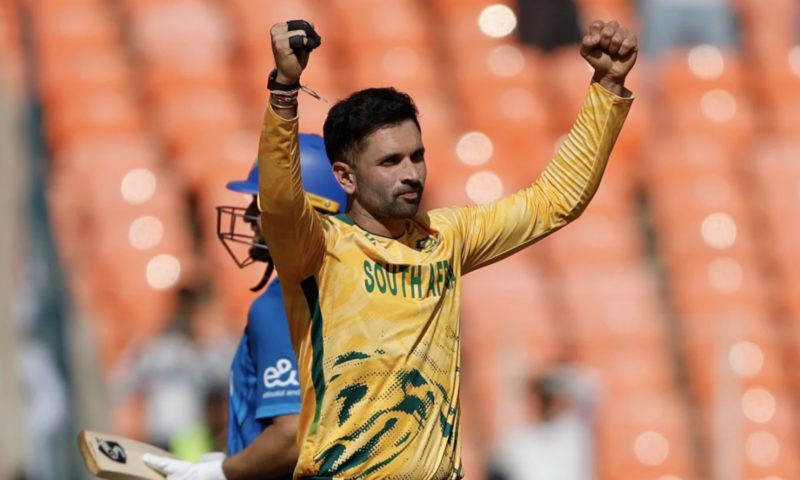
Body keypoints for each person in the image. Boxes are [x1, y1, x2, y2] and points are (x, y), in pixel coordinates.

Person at [260, 18, 635, 480]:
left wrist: (607, 87)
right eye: (390, 162)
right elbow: (279, 202)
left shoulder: (444, 238)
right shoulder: (318, 249)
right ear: (345, 177)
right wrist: (283, 91)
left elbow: (553, 203)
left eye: (417, 155)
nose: (412, 173)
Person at [143, 135, 347, 479]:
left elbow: (293, 438)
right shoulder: (357, 293)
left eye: (262, 203)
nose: (250, 215)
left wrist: (221, 473)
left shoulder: (281, 304)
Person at [490, 364, 599, 480]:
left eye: (549, 399)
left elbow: (591, 390)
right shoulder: (517, 441)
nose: (548, 405)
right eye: (543, 400)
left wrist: (550, 378)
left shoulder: (573, 431)